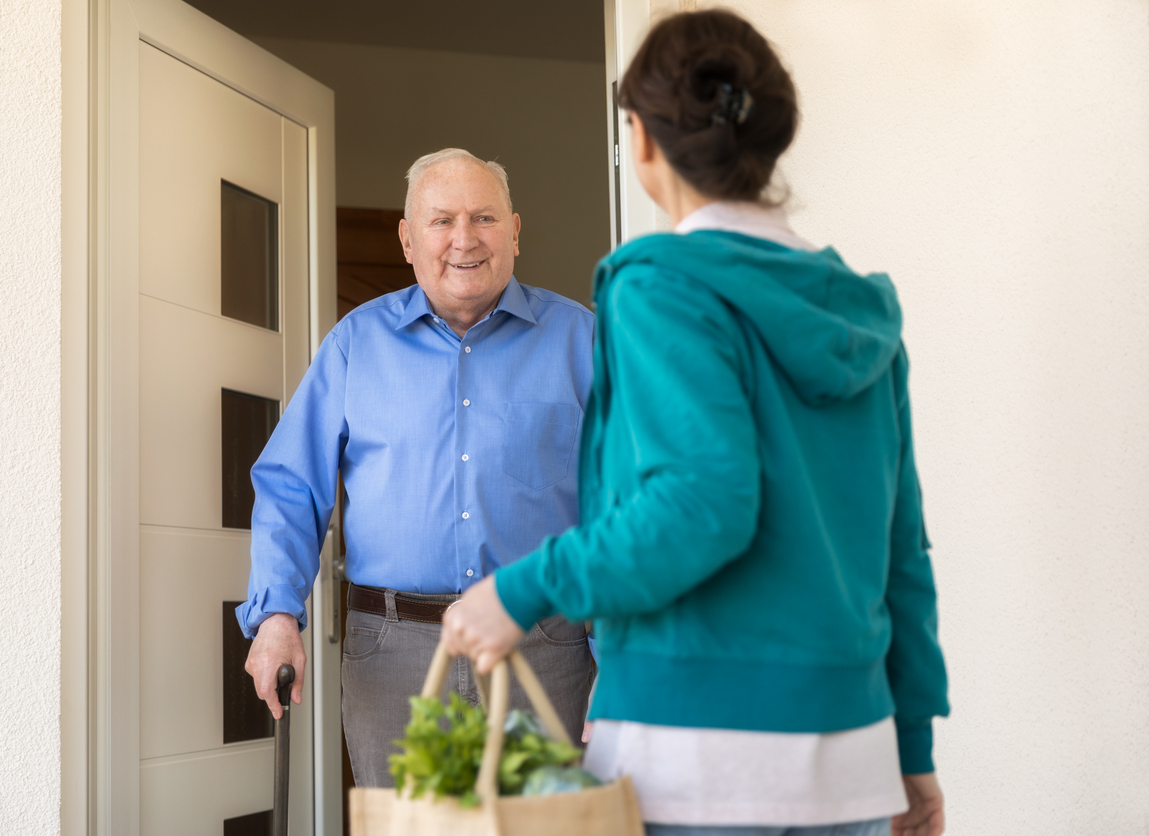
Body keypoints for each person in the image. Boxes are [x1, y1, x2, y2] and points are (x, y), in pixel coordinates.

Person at [441, 10, 948, 836]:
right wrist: (913, 746)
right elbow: (901, 548)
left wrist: (519, 589)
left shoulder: (660, 287)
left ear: (641, 139)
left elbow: (702, 503)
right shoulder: (860, 314)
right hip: (853, 753)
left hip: (698, 756)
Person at [237, 148, 596, 787]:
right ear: (407, 239)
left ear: (514, 231)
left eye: (484, 218)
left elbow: (623, 508)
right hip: (393, 653)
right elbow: (293, 487)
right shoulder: (356, 343)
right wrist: (276, 615)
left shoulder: (582, 341)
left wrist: (620, 663)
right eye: (441, 221)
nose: (464, 240)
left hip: (542, 646)